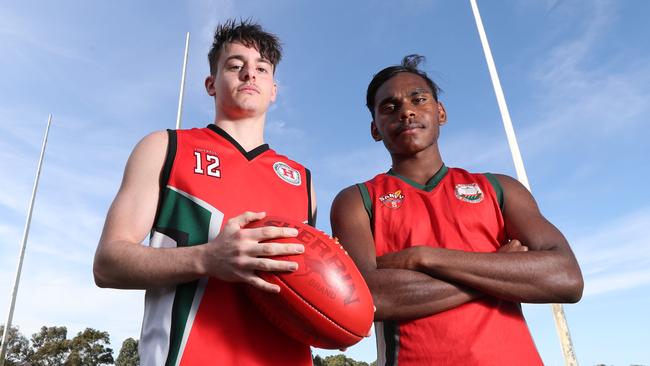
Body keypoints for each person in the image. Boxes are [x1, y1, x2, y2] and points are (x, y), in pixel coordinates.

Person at [330, 55, 584, 365]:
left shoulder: (500, 188)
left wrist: (422, 257)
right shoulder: (357, 200)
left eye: (418, 99)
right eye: (389, 107)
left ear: (440, 112)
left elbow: (566, 278)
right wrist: (498, 270)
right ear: (375, 129)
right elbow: (369, 298)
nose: (406, 111)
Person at [93, 19, 316, 365]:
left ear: (274, 90)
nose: (249, 74)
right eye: (235, 65)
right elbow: (107, 264)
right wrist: (207, 259)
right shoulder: (165, 147)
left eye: (261, 68)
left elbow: (308, 291)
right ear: (211, 84)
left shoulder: (303, 181)